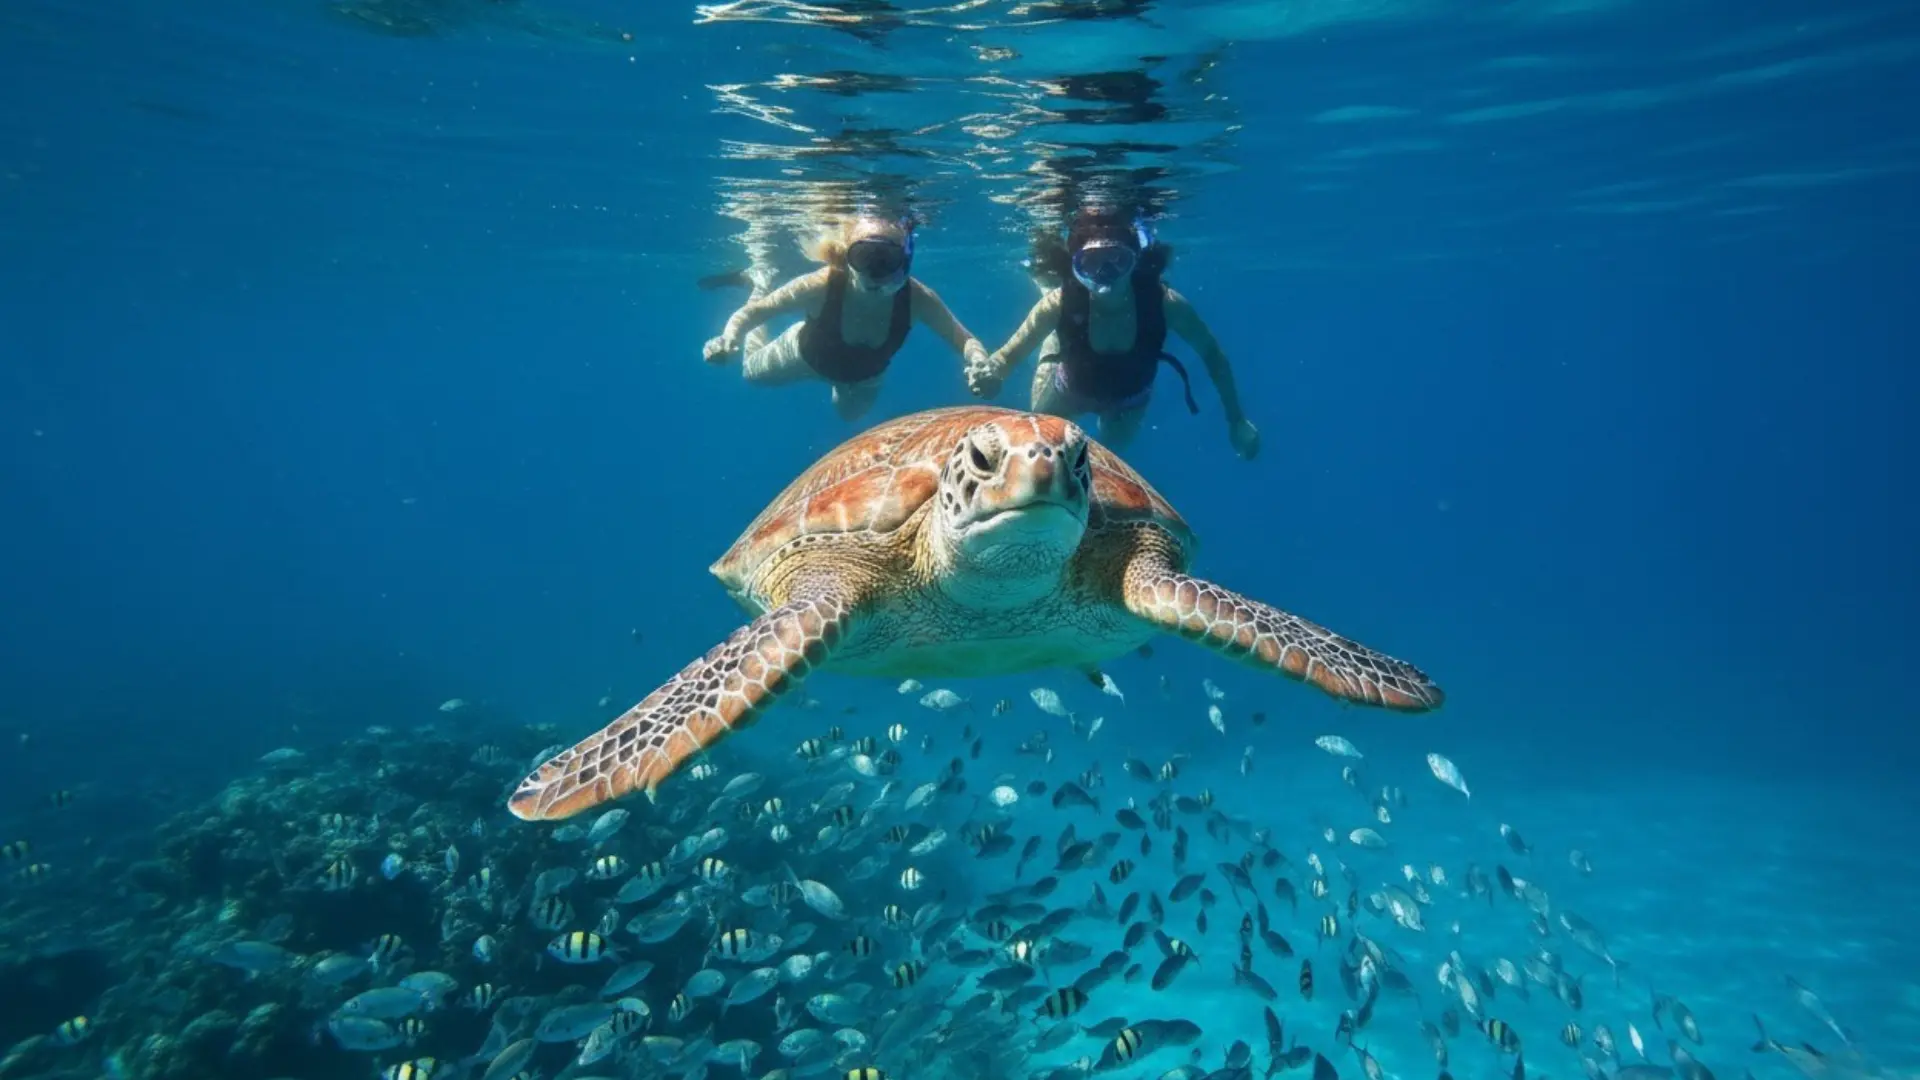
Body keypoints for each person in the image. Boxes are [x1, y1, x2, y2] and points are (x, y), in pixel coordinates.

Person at [966, 207, 1259, 458]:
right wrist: (992, 372)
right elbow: (1009, 355)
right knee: (1042, 441)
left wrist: (1237, 419)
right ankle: (1052, 341)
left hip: (1129, 401)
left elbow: (1212, 355)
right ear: (1076, 267)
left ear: (1136, 261)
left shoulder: (1165, 303)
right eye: (1091, 263)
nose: (1105, 273)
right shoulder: (1059, 303)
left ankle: (1056, 336)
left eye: (1117, 260)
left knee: (1113, 451)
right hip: (1069, 390)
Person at [703, 213, 989, 422]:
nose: (875, 272)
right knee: (751, 373)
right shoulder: (822, 284)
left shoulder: (918, 298)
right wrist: (729, 338)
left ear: (906, 259)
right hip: (801, 355)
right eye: (865, 256)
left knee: (848, 418)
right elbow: (755, 313)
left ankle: (837, 382)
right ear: (846, 256)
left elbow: (962, 338)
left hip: (862, 379)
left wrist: (979, 361)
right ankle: (760, 280)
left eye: (886, 259)